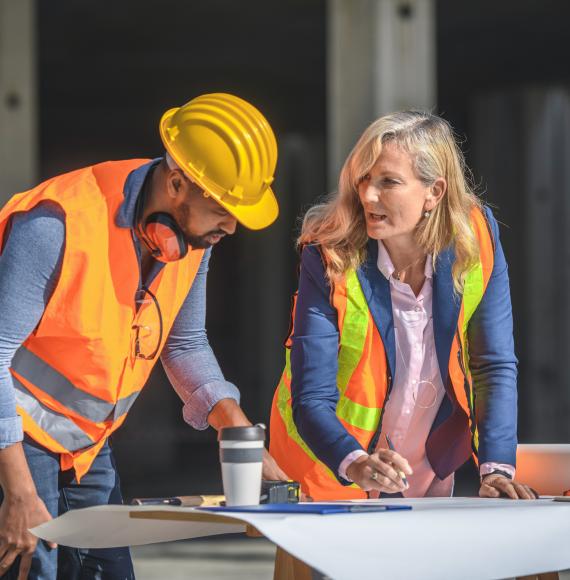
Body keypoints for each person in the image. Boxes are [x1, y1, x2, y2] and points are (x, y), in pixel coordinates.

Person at [0, 92, 287, 579]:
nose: (232, 226)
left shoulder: (193, 241)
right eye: (223, 207)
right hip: (14, 445)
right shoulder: (56, 223)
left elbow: (185, 342)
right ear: (177, 183)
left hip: (88, 448)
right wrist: (18, 494)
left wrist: (234, 426)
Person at [270, 110, 537, 502]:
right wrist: (355, 462)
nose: (368, 195)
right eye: (364, 179)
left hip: (427, 465)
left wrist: (496, 468)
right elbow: (311, 397)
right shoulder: (328, 255)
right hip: (329, 465)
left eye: (388, 182)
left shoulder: (477, 237)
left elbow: (492, 364)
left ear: (435, 192)